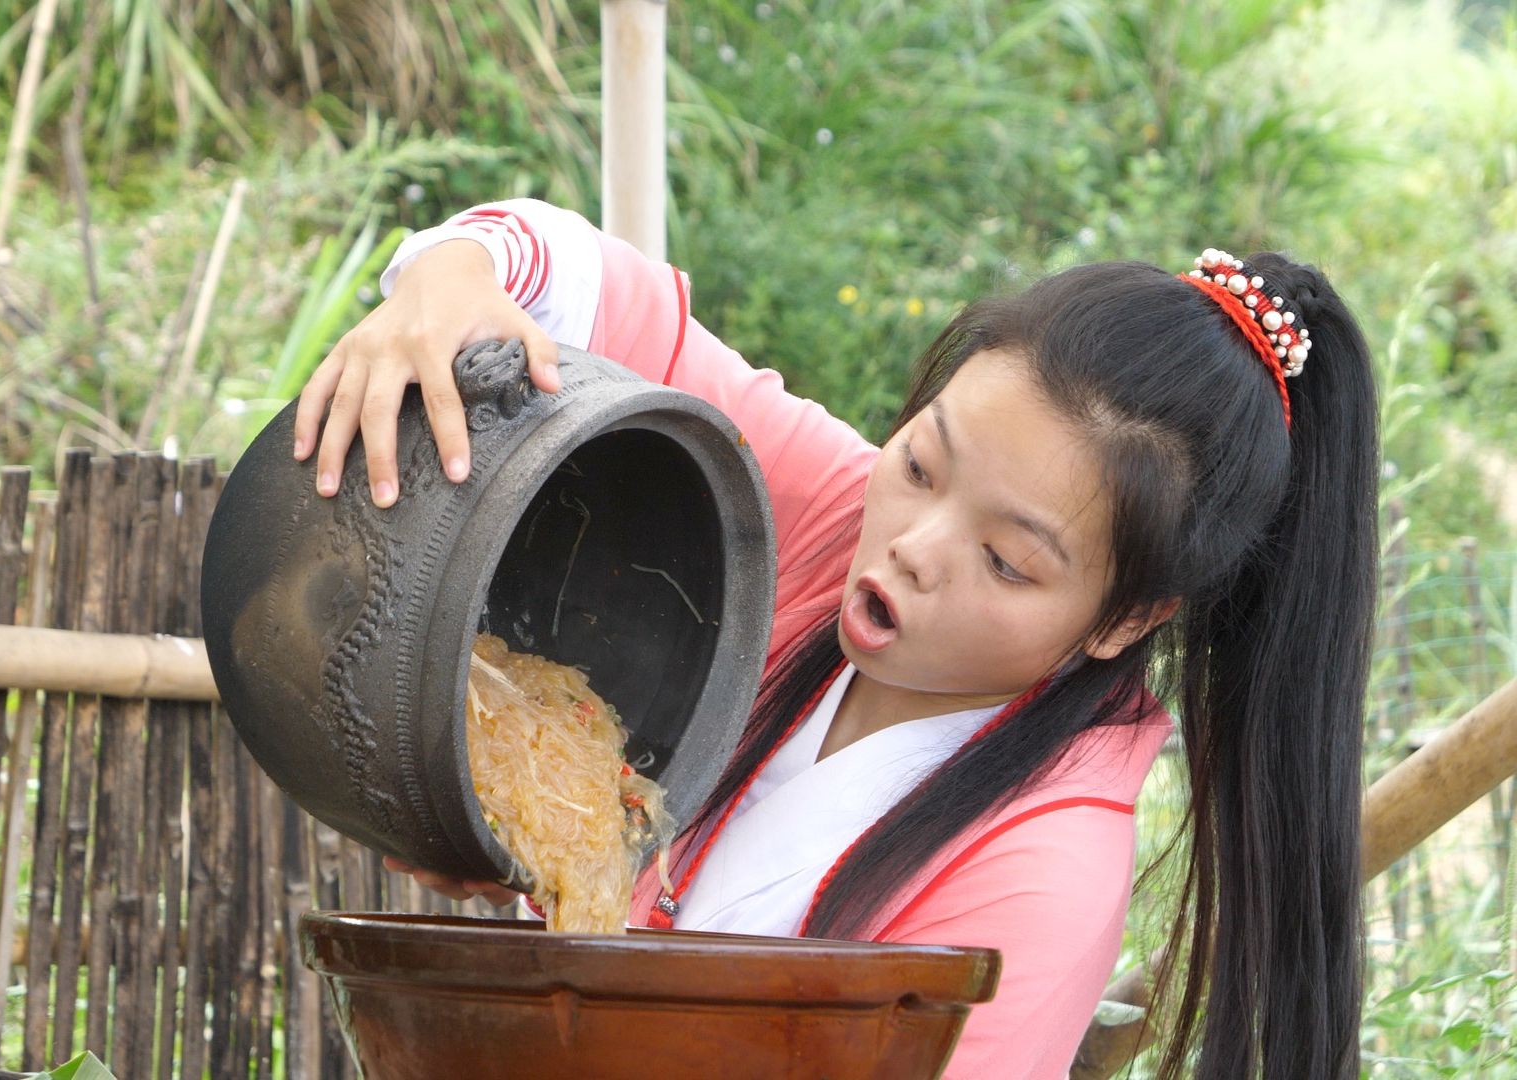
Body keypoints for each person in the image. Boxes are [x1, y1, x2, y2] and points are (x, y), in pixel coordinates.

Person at [291, 199, 1377, 1078]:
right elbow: (577, 281)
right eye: (922, 462)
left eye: (1007, 562)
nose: (912, 545)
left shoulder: (1039, 876)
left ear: (1127, 620)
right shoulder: (825, 515)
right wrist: (450, 285)